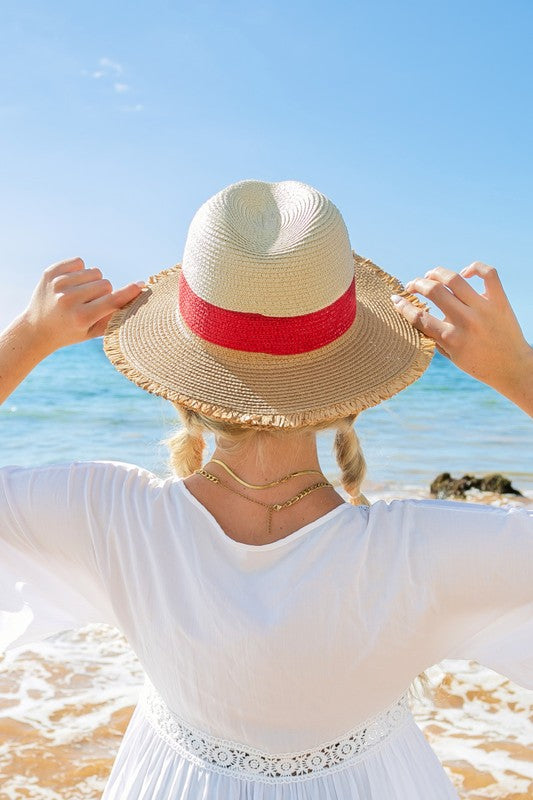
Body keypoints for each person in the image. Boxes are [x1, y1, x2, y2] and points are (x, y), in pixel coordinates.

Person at [0, 179, 531, 800]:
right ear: (349, 387)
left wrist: (28, 338)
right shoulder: (423, 552)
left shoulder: (110, 516)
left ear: (182, 379)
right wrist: (517, 369)